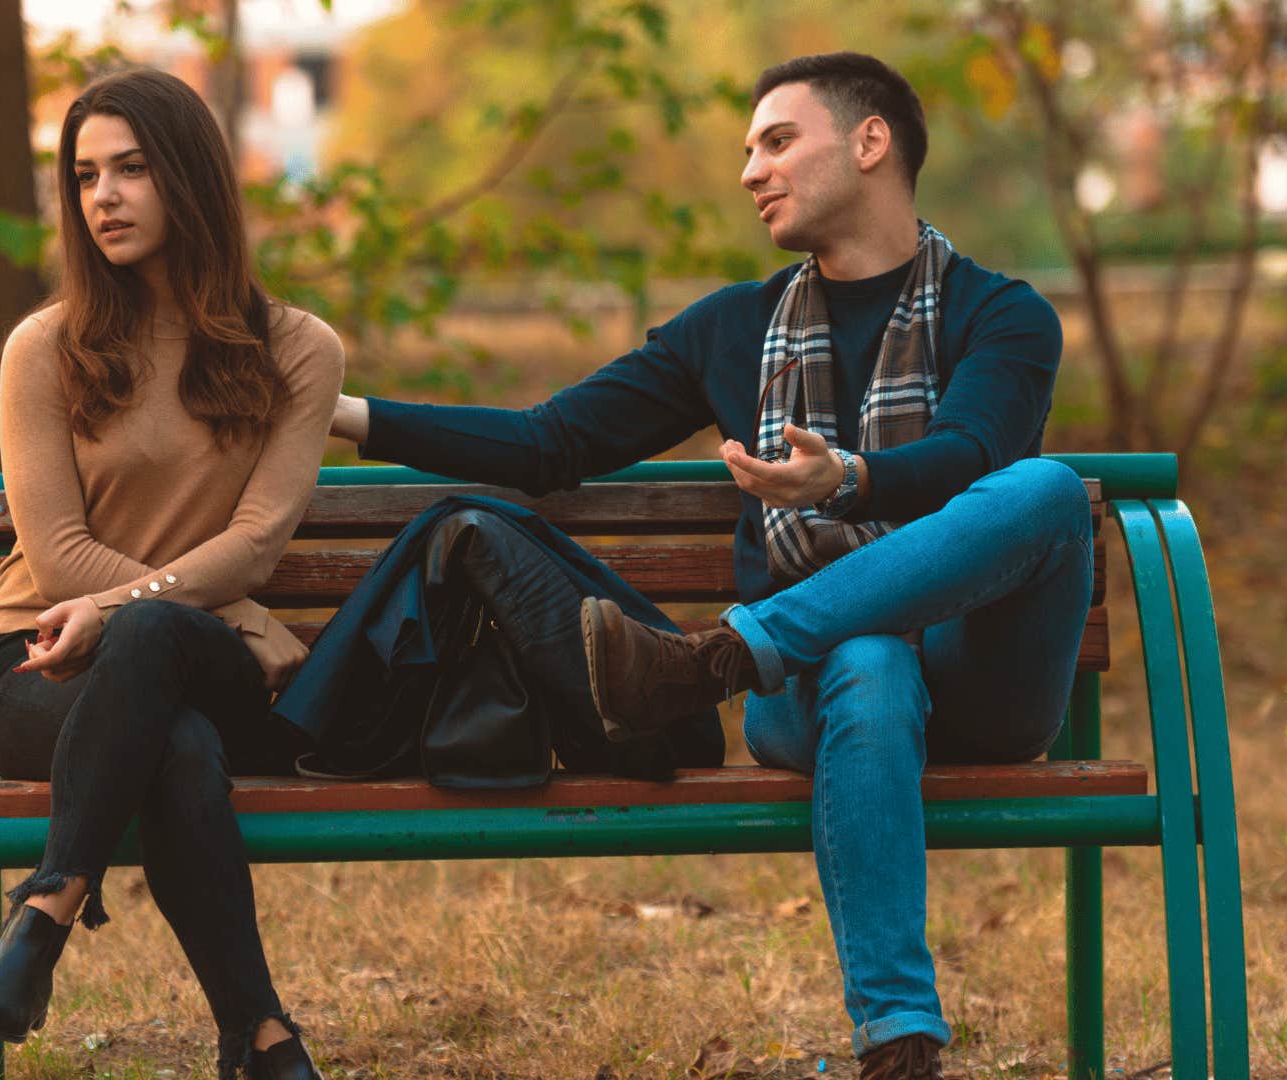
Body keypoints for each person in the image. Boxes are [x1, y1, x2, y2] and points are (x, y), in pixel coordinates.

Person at [329, 52, 1092, 1080]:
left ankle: (718, 655)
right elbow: (551, 443)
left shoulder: (1002, 313)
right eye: (748, 149)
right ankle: (901, 1048)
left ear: (871, 143)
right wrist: (349, 416)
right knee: (867, 657)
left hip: (980, 677)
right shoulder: (733, 329)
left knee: (1046, 489)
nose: (750, 171)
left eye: (777, 140)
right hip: (815, 694)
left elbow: (970, 459)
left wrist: (850, 482)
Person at [0, 68, 342, 1080]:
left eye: (131, 168)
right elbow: (61, 555)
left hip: (197, 657)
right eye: (84, 176)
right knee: (178, 736)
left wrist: (191, 605)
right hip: (47, 669)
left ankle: (47, 909)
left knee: (160, 638)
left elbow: (256, 540)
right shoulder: (46, 349)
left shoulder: (295, 349)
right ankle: (259, 1035)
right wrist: (244, 613)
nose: (104, 196)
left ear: (194, 179)